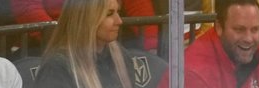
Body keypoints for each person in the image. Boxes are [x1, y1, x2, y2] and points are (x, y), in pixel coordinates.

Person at [9, 0, 161, 54]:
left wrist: (152, 44)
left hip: (106, 40)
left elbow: (137, 4)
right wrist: (70, 43)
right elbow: (27, 9)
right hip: (49, 46)